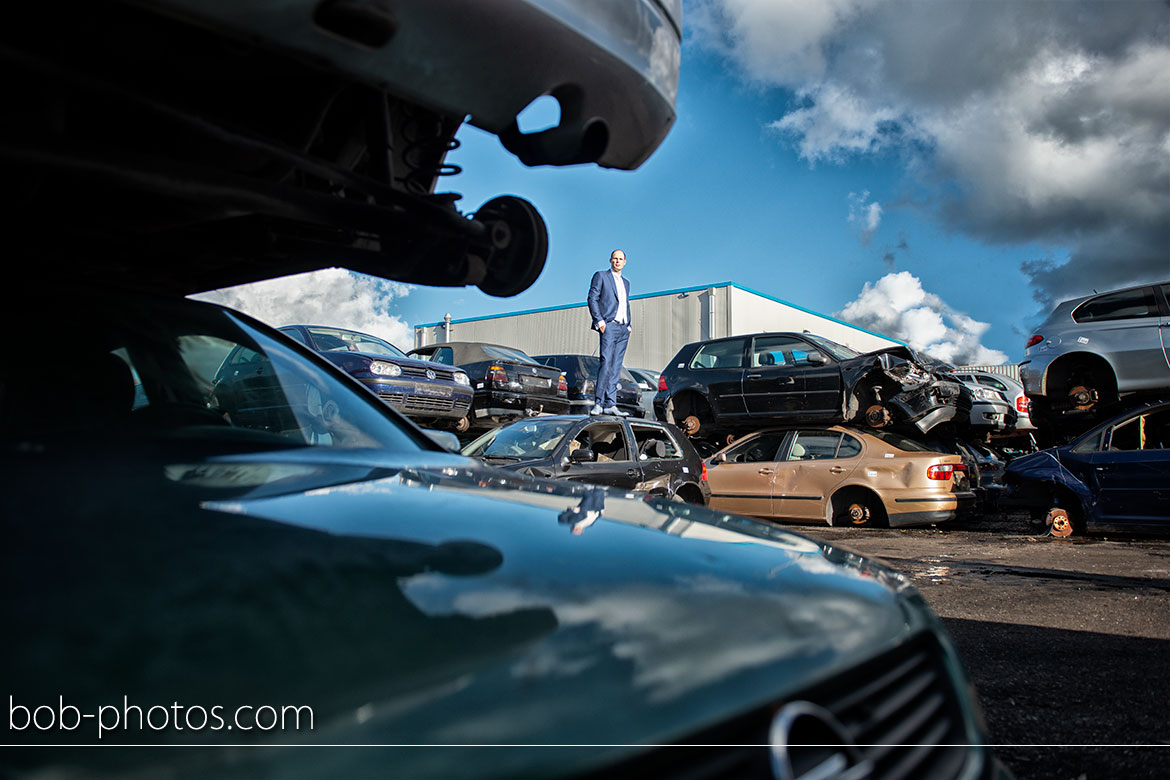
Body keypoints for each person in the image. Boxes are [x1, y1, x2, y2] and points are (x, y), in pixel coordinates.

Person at [586, 249, 632, 416]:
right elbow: (592, 298)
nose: (617, 261)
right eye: (615, 259)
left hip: (623, 328)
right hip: (609, 325)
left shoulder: (626, 282)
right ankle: (598, 402)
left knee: (616, 366)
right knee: (606, 362)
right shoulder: (601, 276)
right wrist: (600, 322)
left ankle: (611, 404)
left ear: (625, 262)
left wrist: (629, 325)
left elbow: (625, 304)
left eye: (620, 259)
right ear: (610, 260)